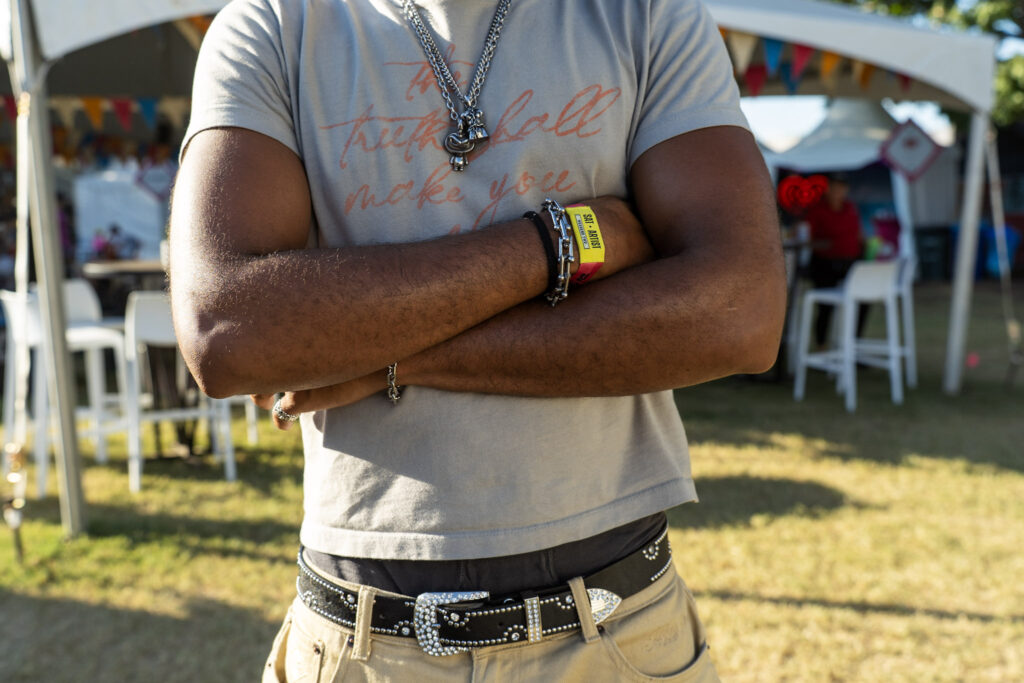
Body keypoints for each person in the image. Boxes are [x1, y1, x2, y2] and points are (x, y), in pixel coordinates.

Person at [169, 0, 785, 680]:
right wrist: (557, 242)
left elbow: (742, 312)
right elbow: (225, 330)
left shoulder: (644, 15)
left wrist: (388, 358)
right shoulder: (274, 26)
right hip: (363, 643)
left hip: (615, 630)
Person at [804, 172, 866, 346]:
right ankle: (821, 344)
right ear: (828, 189)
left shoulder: (850, 208)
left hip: (851, 262)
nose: (838, 191)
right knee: (825, 307)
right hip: (825, 263)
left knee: (863, 300)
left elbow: (859, 233)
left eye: (842, 187)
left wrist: (867, 245)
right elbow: (806, 237)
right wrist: (821, 244)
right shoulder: (817, 210)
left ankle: (855, 344)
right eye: (835, 187)